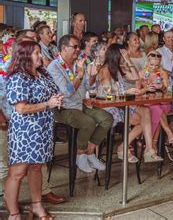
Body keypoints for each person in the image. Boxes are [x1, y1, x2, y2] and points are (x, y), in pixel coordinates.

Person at [4, 41, 63, 219]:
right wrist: (48, 104)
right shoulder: (17, 77)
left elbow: (54, 92)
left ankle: (36, 205)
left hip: (42, 128)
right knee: (18, 172)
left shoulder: (42, 74)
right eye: (36, 53)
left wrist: (57, 98)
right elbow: (21, 108)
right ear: (24, 56)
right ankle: (13, 213)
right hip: (24, 132)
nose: (40, 56)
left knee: (36, 167)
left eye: (39, 52)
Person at [47, 35, 113, 173]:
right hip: (63, 108)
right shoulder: (54, 66)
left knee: (107, 119)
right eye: (74, 47)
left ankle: (89, 152)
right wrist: (80, 75)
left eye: (78, 46)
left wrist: (93, 75)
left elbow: (89, 87)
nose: (78, 49)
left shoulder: (78, 62)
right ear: (64, 48)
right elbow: (66, 92)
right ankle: (80, 155)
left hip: (80, 104)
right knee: (88, 122)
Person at [97, 44, 162, 163]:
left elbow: (136, 76)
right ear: (116, 55)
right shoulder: (105, 70)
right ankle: (124, 147)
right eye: (123, 55)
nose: (125, 56)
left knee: (146, 111)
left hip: (121, 103)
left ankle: (148, 149)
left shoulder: (117, 69)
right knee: (143, 119)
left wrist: (128, 60)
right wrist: (127, 91)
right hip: (109, 105)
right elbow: (108, 92)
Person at [139, 52, 173, 150]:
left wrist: (162, 87)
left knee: (157, 108)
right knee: (156, 109)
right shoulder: (142, 73)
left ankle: (150, 144)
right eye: (151, 65)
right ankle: (167, 132)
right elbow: (138, 91)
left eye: (156, 65)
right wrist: (145, 87)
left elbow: (167, 91)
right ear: (147, 63)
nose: (154, 67)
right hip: (148, 102)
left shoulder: (162, 73)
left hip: (162, 101)